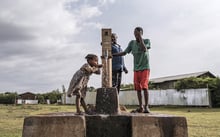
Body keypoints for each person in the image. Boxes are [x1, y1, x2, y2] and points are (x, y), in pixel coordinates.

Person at [112, 27, 151, 113]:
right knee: (138, 88)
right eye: (135, 33)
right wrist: (113, 55)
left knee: (144, 87)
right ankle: (140, 107)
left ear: (141, 33)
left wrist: (140, 38)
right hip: (136, 69)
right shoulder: (131, 43)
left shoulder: (147, 41)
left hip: (145, 67)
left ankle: (146, 107)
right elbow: (124, 53)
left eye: (137, 33)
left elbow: (144, 48)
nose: (136, 35)